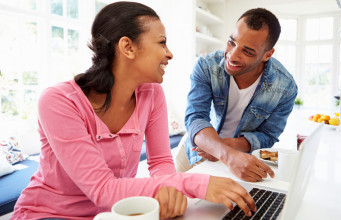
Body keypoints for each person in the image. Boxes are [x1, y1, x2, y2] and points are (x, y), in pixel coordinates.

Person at [11, 2, 257, 219]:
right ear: (128, 47)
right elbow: (102, 189)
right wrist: (196, 184)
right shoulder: (58, 101)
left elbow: (160, 162)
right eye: (162, 43)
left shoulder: (152, 94)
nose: (169, 53)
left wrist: (169, 191)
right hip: (49, 214)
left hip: (116, 212)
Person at [180, 8, 298, 182]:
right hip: (198, 146)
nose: (232, 56)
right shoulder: (206, 67)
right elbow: (196, 117)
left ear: (267, 55)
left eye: (247, 51)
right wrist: (226, 153)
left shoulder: (286, 87)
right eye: (231, 42)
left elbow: (268, 135)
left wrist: (228, 148)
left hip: (239, 156)